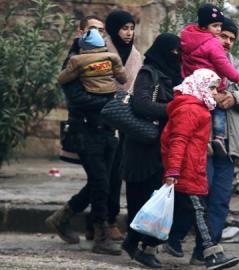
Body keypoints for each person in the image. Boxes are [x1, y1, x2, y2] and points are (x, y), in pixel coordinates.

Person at [164, 18, 239, 265]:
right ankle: (172, 238)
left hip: (228, 145)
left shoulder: (235, 65)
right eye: (223, 36)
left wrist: (234, 98)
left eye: (231, 39)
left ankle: (205, 252)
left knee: (220, 200)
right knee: (196, 197)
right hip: (200, 147)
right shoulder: (194, 62)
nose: (226, 42)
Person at [45, 15, 121, 256]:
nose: (98, 34)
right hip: (86, 131)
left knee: (103, 183)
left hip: (108, 130)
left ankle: (62, 217)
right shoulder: (74, 63)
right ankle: (102, 236)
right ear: (81, 33)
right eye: (92, 29)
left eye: (101, 30)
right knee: (100, 182)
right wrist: (109, 102)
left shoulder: (107, 62)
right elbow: (78, 99)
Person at [161, 68, 239, 270]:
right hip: (185, 170)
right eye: (212, 88)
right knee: (199, 212)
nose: (215, 93)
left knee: (192, 211)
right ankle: (212, 254)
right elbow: (178, 141)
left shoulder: (198, 107)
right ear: (200, 86)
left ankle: (143, 247)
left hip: (192, 169)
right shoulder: (190, 109)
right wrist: (173, 171)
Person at [119, 33, 181, 269]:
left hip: (162, 147)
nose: (176, 56)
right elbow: (141, 104)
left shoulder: (174, 75)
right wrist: (174, 108)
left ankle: (139, 244)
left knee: (157, 200)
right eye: (173, 51)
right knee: (142, 199)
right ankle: (139, 244)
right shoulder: (149, 72)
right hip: (142, 148)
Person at [86, 9, 143, 241]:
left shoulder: (136, 56)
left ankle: (100, 221)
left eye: (131, 28)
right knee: (102, 176)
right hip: (99, 120)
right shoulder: (100, 51)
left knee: (115, 174)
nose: (128, 33)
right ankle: (102, 222)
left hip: (124, 121)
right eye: (124, 28)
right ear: (113, 29)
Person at [179, 3, 239, 157]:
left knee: (201, 113)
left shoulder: (187, 38)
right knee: (217, 108)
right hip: (211, 83)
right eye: (215, 26)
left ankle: (207, 140)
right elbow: (223, 64)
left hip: (192, 84)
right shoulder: (212, 43)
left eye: (220, 26)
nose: (218, 30)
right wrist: (238, 78)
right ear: (204, 26)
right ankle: (219, 137)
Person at [58, 28, 127, 94]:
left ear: (83, 45)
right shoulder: (113, 57)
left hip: (91, 92)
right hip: (110, 92)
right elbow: (122, 77)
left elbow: (64, 78)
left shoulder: (77, 59)